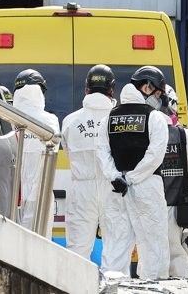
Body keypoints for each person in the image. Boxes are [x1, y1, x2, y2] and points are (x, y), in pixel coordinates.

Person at [96, 65, 171, 280]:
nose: (158, 98)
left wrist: (116, 177)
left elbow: (102, 152)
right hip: (146, 186)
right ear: (146, 87)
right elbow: (154, 154)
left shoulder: (108, 119)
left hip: (115, 189)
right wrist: (132, 178)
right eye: (157, 93)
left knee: (115, 245)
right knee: (153, 246)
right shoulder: (155, 118)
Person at [61, 64, 117, 262]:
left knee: (77, 250)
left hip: (81, 189)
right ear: (111, 91)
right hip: (113, 187)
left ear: (86, 89)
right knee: (116, 247)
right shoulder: (117, 119)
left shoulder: (70, 121)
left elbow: (67, 150)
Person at [160, 84, 188, 279]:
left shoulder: (147, 135)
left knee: (152, 256)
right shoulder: (187, 135)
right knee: (180, 257)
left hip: (151, 205)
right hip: (180, 208)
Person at [12, 68, 60, 237]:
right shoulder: (50, 121)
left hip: (12, 191)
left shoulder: (6, 116)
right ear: (39, 91)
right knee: (39, 240)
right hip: (41, 190)